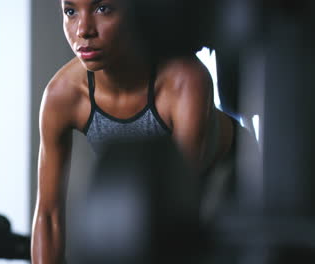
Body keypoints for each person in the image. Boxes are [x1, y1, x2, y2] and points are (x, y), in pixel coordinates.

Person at [31, 0, 235, 263]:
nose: (83, 30)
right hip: (158, 204)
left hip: (233, 180)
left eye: (103, 9)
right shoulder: (62, 95)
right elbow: (48, 216)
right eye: (70, 12)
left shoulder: (184, 80)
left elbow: (177, 208)